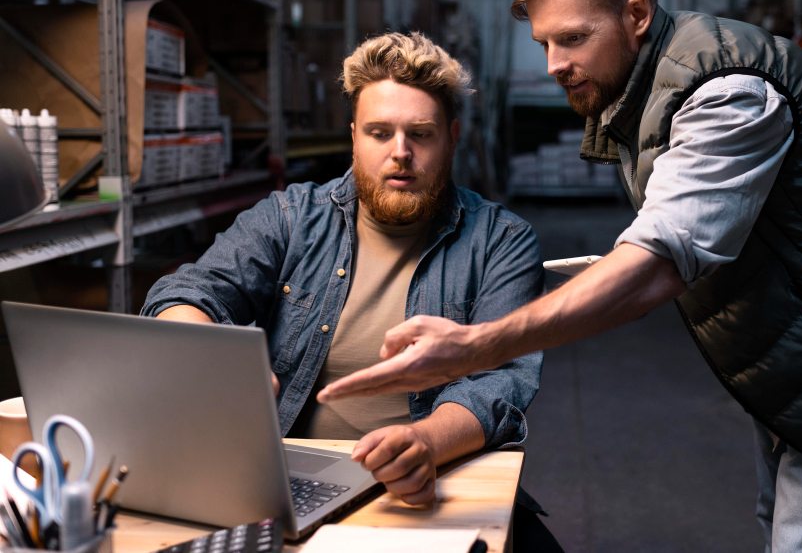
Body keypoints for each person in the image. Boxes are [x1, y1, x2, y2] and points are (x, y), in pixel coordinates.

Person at [320, 0, 802, 552]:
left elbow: (662, 260)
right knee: (780, 516)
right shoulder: (638, 89)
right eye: (544, 43)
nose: (553, 66)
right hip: (790, 334)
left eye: (571, 39)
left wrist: (472, 348)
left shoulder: (726, 94)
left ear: (637, 14)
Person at [141, 32, 545, 511]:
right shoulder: (291, 217)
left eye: (420, 133)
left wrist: (424, 444)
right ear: (354, 136)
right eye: (379, 133)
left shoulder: (501, 240)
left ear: (451, 139)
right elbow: (187, 292)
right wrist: (213, 361)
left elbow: (499, 381)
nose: (400, 152)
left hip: (436, 476)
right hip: (288, 480)